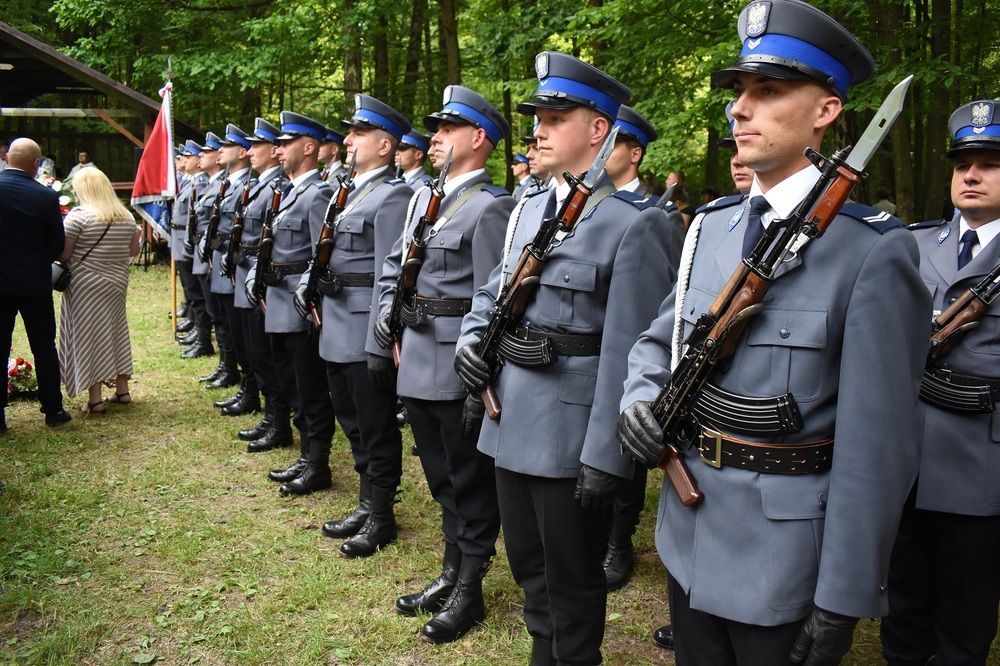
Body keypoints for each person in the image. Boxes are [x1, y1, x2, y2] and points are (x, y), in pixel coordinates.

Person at [615, 1, 930, 664]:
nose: (740, 109)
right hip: (688, 527)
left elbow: (880, 449)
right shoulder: (712, 226)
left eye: (769, 91)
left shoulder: (872, 252)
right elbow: (659, 338)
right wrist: (639, 398)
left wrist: (842, 595)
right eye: (738, 93)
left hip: (784, 555)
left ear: (826, 110)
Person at [455, 52, 677, 665]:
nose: (538, 130)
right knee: (529, 567)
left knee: (573, 584)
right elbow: (491, 292)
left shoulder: (635, 223)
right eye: (537, 117)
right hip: (509, 419)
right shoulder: (528, 208)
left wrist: (609, 455)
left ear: (599, 128)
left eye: (556, 116)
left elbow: (634, 350)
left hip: (572, 435)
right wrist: (472, 342)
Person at [376, 85, 514, 642]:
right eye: (435, 129)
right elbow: (398, 264)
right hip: (415, 356)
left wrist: (476, 377)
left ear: (478, 139)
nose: (433, 138)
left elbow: (493, 299)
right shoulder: (422, 199)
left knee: (468, 481)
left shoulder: (492, 207)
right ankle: (451, 569)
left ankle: (470, 587)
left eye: (447, 129)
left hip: (456, 365)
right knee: (439, 477)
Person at [880, 99, 1000, 666]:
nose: (971, 174)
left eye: (990, 163)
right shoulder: (913, 243)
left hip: (983, 467)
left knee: (966, 607)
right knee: (902, 600)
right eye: (962, 163)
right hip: (906, 459)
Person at [295, 94, 412, 556]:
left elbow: (389, 273)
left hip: (363, 327)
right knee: (351, 419)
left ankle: (382, 514)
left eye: (359, 134)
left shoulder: (393, 194)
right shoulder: (344, 190)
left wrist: (379, 342)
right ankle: (367, 502)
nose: (348, 140)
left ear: (385, 146)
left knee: (376, 423)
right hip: (334, 325)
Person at [602, 102, 684, 594]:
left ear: (634, 153)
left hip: (635, 344)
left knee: (627, 441)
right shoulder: (588, 206)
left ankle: (619, 539)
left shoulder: (658, 214)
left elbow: (666, 290)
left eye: (614, 142)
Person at [249, 111, 337, 497]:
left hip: (300, 308)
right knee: (290, 381)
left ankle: (316, 462)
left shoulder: (317, 193)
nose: (278, 150)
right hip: (278, 302)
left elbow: (323, 253)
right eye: (278, 144)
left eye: (286, 144)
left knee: (309, 387)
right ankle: (305, 456)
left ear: (309, 147)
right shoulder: (288, 191)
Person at [230, 118, 299, 454]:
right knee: (257, 352)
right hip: (253, 276)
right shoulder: (260, 185)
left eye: (256, 146)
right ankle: (273, 417)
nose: (249, 152)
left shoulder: (281, 188)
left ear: (274, 151)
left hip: (271, 283)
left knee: (271, 358)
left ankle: (279, 420)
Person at [0, 138, 72, 431]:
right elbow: (57, 244)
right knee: (43, 346)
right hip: (35, 282)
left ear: (7, 159)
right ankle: (53, 410)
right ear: (35, 165)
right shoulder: (44, 196)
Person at [57, 166, 140, 412]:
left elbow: (64, 254)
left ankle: (95, 400)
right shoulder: (126, 215)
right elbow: (134, 251)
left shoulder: (78, 216)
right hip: (116, 283)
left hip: (85, 285)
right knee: (115, 331)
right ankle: (122, 390)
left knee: (89, 337)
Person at [205, 125, 259, 407]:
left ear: (241, 152)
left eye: (228, 146)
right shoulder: (228, 183)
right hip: (223, 259)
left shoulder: (245, 185)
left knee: (239, 330)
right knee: (225, 322)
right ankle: (240, 381)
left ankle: (248, 388)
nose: (220, 151)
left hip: (236, 264)